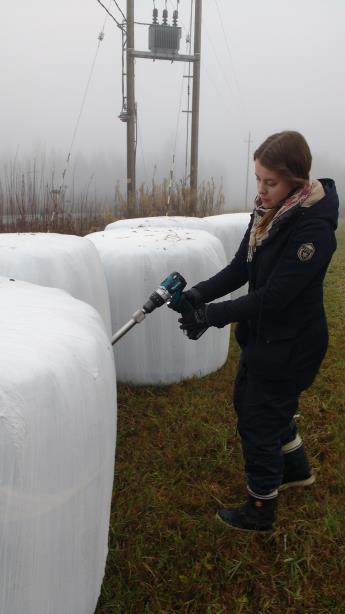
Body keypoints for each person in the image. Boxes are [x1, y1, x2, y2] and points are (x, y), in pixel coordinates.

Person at [170, 130, 339, 531]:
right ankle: (295, 469)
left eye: (271, 182)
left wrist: (212, 316)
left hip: (292, 343)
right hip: (267, 337)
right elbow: (240, 269)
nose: (261, 190)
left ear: (296, 180)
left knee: (258, 419)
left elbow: (274, 297)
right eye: (258, 180)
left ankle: (260, 510)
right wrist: (198, 294)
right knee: (258, 403)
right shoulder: (268, 213)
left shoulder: (313, 230)